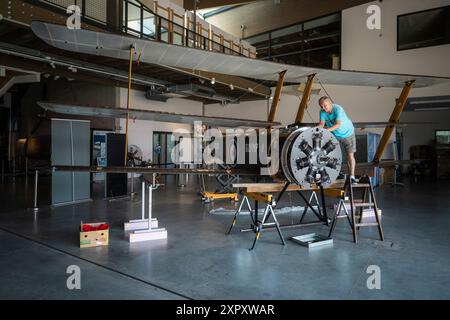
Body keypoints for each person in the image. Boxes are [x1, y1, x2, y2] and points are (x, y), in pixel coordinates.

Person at [317, 96, 357, 184]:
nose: (323, 108)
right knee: (330, 153)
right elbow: (322, 124)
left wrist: (326, 130)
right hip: (335, 135)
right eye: (321, 106)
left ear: (330, 103)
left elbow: (338, 124)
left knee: (350, 156)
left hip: (348, 134)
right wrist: (316, 129)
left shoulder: (338, 109)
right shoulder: (322, 112)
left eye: (325, 105)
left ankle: (352, 177)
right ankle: (337, 173)